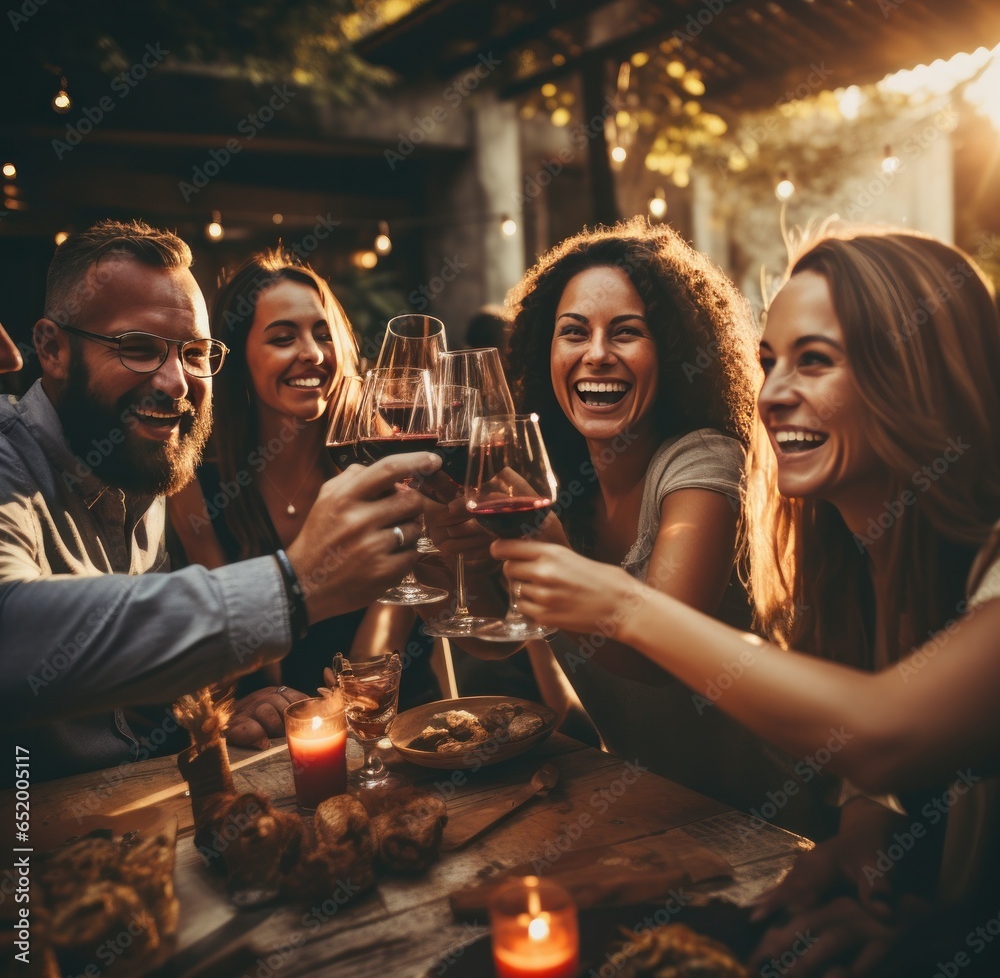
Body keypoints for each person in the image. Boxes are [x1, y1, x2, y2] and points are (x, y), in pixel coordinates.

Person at [495, 227, 1000, 974]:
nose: (773, 395)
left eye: (815, 361)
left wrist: (619, 605)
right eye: (769, 363)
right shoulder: (854, 559)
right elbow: (887, 776)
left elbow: (887, 729)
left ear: (917, 375)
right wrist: (868, 840)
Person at [429, 218, 834, 832]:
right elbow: (498, 637)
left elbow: (661, 652)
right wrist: (463, 564)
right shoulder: (554, 476)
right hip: (654, 811)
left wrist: (547, 551)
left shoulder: (704, 459)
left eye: (626, 332)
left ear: (670, 351)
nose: (596, 354)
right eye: (573, 332)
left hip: (774, 821)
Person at [0, 220, 436, 781]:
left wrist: (216, 718)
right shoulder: (13, 456)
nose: (177, 381)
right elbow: (13, 636)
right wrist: (294, 585)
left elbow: (125, 695)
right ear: (52, 349)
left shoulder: (142, 472)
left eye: (195, 353)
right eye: (137, 349)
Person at [168, 249, 433, 708]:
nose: (312, 354)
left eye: (323, 335)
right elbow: (237, 649)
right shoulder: (197, 482)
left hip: (396, 715)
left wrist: (349, 698)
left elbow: (390, 619)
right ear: (239, 356)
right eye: (282, 338)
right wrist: (265, 697)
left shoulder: (380, 459)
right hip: (274, 730)